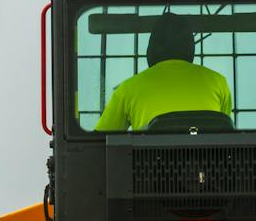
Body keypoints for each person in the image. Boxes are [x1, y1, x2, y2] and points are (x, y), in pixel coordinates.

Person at [93, 14, 234, 132]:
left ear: (151, 49)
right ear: (190, 49)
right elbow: (225, 134)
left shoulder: (128, 88)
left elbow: (98, 141)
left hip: (147, 163)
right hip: (209, 163)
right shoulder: (218, 82)